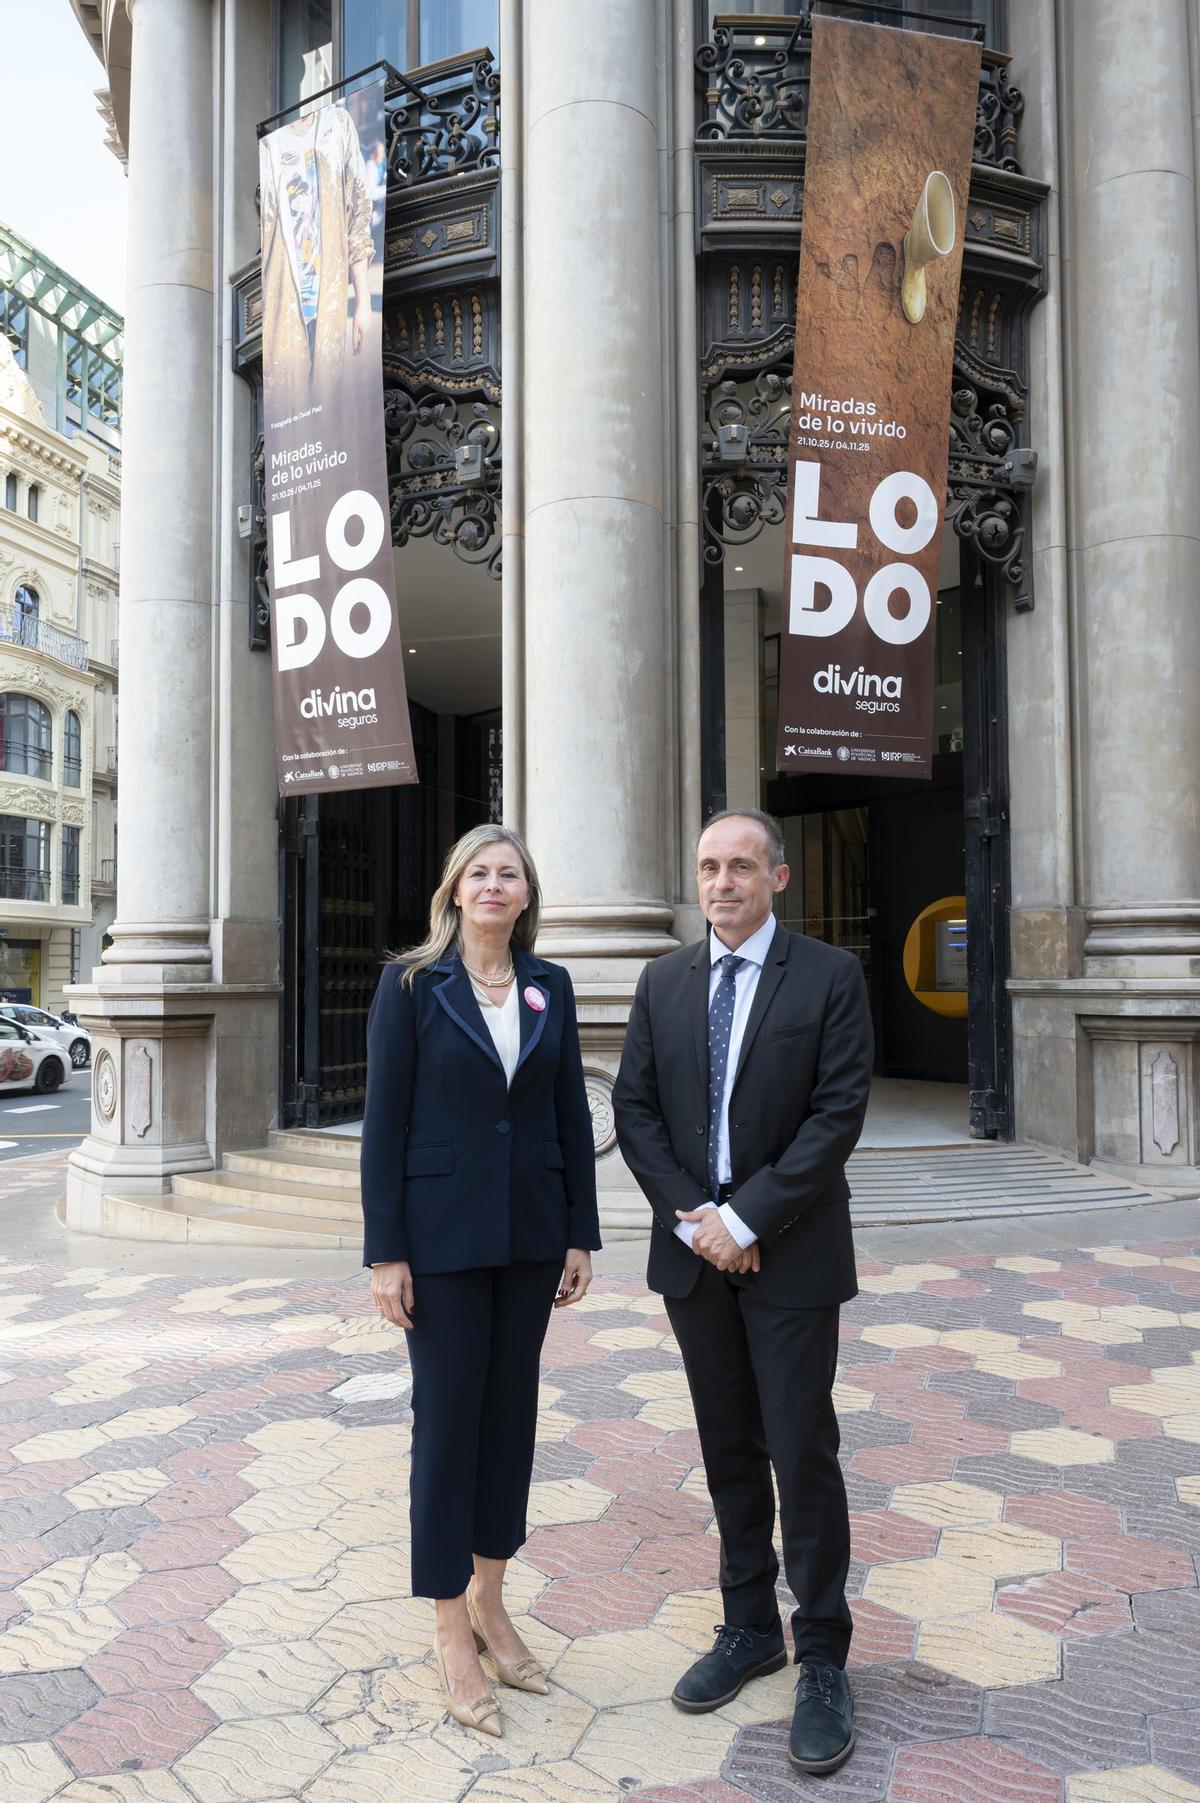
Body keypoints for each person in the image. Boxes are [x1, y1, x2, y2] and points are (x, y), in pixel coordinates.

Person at [613, 808, 872, 1777]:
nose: (721, 883)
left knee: (801, 1449)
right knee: (727, 1447)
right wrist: (700, 1223)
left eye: (741, 867)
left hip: (791, 1255)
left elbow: (837, 1113)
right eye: (709, 867)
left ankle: (824, 1653)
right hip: (695, 1256)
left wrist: (749, 1218)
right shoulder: (662, 980)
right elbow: (634, 1107)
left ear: (779, 877)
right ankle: (749, 1625)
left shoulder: (831, 977)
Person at [361, 825, 601, 1739]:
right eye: (479, 872)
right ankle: (448, 1626)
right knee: (447, 1426)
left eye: (509, 872)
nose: (494, 884)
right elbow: (384, 1122)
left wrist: (579, 1232)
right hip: (442, 1243)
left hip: (531, 1237)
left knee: (510, 1419)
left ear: (526, 893)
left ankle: (493, 1601)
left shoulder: (550, 985)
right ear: (455, 890)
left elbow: (568, 1112)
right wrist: (387, 1251)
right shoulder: (411, 985)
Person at [260, 100, 374, 399]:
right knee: (290, 406)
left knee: (328, 401)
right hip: (283, 309)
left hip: (329, 304)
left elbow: (359, 211)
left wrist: (363, 302)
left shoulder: (337, 125)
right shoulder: (270, 146)